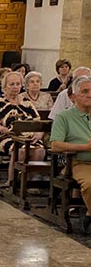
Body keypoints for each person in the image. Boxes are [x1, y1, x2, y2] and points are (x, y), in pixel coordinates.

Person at [0, 71, 45, 187]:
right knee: (20, 150)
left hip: (27, 137)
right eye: (12, 84)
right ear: (5, 86)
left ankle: (28, 182)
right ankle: (11, 181)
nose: (15, 87)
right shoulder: (0, 102)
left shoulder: (27, 103)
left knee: (40, 150)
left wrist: (39, 133)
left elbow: (39, 122)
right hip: (6, 136)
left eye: (18, 84)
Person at [51, 75, 91, 231]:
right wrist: (84, 147)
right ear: (74, 96)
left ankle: (89, 214)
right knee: (90, 184)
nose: (89, 95)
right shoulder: (64, 116)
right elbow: (55, 145)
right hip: (78, 162)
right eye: (85, 91)